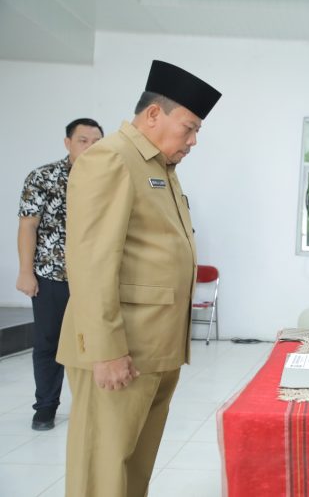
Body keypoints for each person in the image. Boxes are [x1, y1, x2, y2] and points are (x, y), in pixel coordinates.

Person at [56, 60, 221, 497]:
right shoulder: (110, 159)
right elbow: (91, 262)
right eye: (189, 128)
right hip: (120, 352)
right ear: (153, 115)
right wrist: (106, 351)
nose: (193, 140)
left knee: (131, 473)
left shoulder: (159, 167)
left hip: (155, 350)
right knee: (101, 473)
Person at [16, 118, 104, 431]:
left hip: (96, 278)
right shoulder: (42, 177)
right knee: (48, 343)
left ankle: (94, 408)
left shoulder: (110, 178)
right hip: (53, 275)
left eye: (96, 141)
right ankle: (46, 408)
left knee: (98, 343)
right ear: (68, 143)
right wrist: (26, 272)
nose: (90, 147)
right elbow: (28, 225)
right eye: (83, 140)